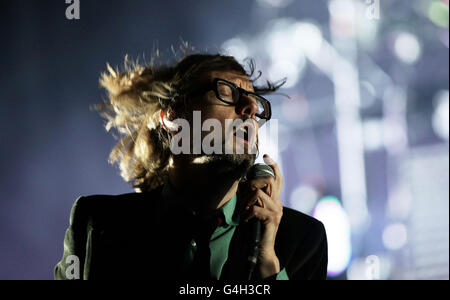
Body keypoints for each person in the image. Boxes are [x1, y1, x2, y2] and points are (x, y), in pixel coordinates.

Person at [54, 53, 328, 280]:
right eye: (228, 92)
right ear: (173, 116)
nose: (250, 108)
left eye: (255, 104)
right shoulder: (99, 226)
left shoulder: (300, 241)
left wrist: (267, 263)